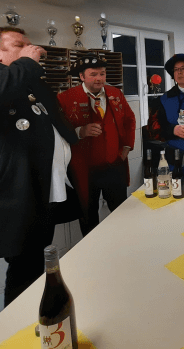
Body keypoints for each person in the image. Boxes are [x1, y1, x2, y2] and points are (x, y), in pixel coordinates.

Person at [0, 26, 79, 306]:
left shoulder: (25, 80)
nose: (32, 49)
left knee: (38, 263)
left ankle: (41, 311)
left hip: (45, 188)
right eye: (20, 45)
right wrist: (27, 63)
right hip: (15, 193)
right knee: (22, 271)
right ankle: (18, 325)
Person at [58, 54, 136, 236]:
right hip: (83, 170)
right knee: (87, 216)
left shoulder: (116, 94)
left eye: (102, 73)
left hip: (114, 165)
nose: (99, 78)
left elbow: (130, 120)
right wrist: (80, 131)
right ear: (82, 77)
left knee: (121, 212)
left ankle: (124, 243)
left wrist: (126, 147)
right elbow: (58, 130)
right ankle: (92, 249)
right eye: (93, 74)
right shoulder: (65, 98)